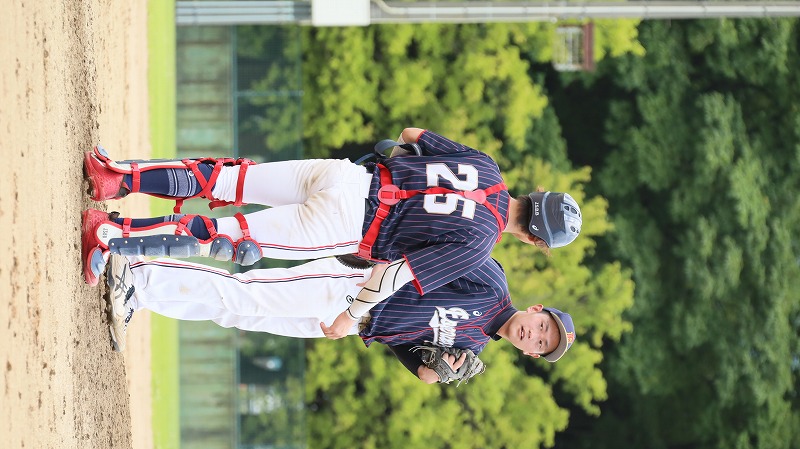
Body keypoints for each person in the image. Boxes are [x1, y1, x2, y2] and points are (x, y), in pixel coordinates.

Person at [82, 128, 582, 339]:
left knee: (228, 179)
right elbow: (394, 275)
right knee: (226, 235)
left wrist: (404, 170)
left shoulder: (487, 166)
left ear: (536, 194)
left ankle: (115, 176)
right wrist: (349, 316)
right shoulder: (479, 245)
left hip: (348, 176)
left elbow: (410, 136)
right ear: (535, 241)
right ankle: (109, 234)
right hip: (347, 227)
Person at [103, 253, 575, 384]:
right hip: (353, 285)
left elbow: (412, 355)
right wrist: (359, 303)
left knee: (237, 312)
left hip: (352, 325)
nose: (534, 336)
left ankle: (141, 296)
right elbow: (426, 253)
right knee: (247, 292)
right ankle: (139, 274)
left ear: (531, 354)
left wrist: (437, 371)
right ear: (536, 310)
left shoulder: (472, 347)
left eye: (541, 344)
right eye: (543, 327)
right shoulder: (492, 282)